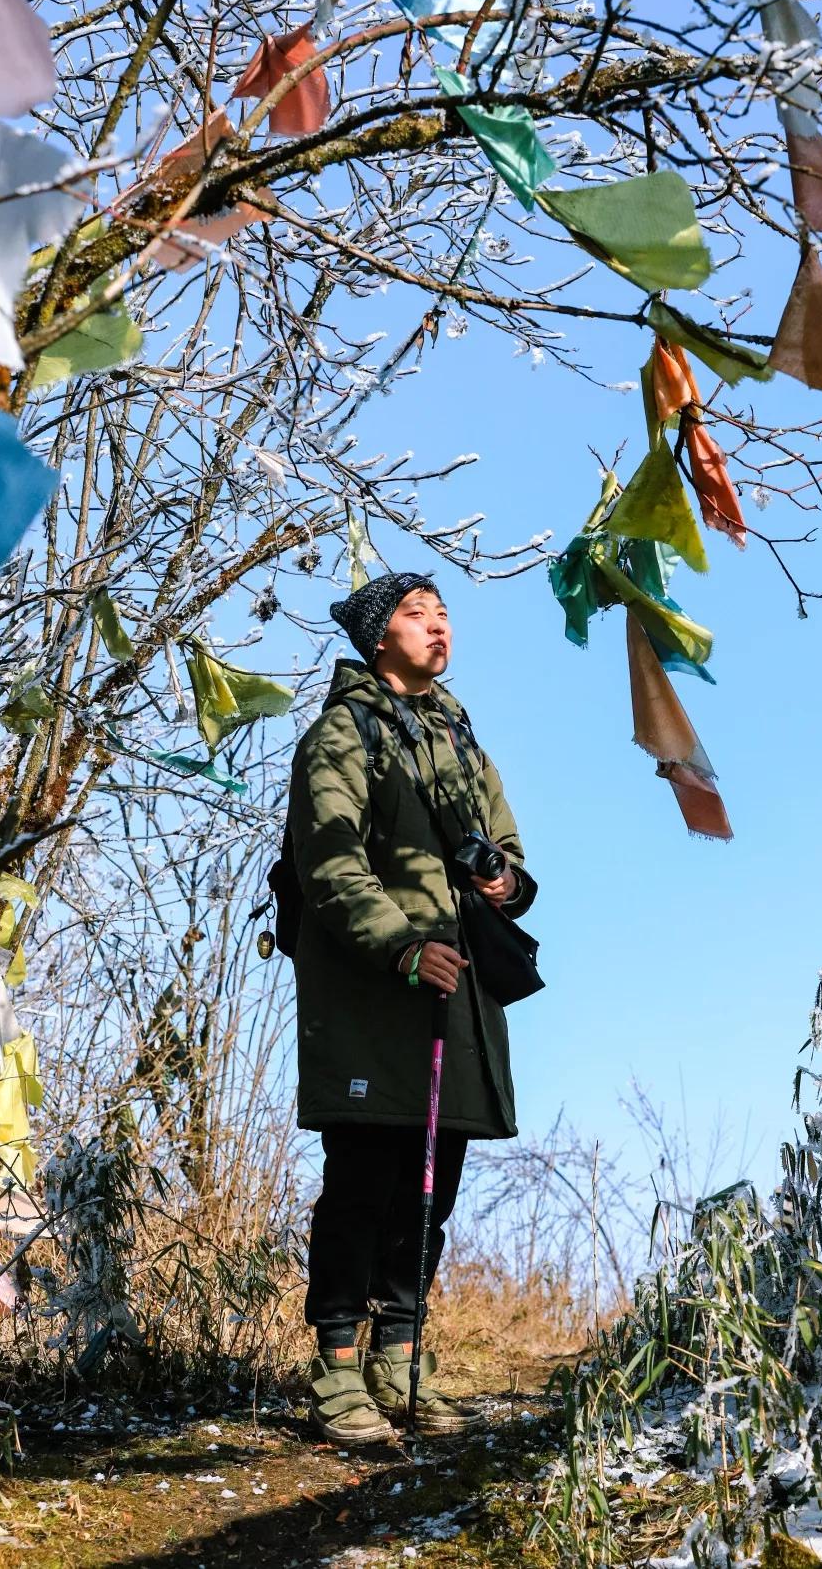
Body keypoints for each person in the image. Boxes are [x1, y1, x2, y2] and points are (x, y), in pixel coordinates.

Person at [287, 572, 537, 1443]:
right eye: (416, 614)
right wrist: (399, 945)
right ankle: (337, 1370)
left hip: (455, 988)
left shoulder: (462, 741)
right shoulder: (339, 734)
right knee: (364, 1175)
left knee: (436, 1182)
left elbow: (509, 856)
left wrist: (504, 878)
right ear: (375, 637)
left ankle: (402, 1362)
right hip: (370, 987)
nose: (438, 627)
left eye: (444, 615)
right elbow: (330, 863)